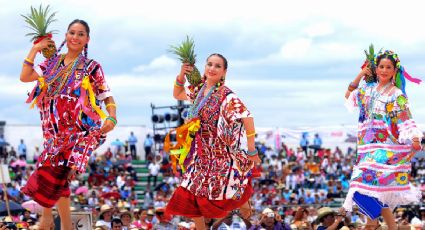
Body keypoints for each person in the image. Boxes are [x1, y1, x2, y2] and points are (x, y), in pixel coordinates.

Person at [19, 19, 117, 230]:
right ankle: (64, 226)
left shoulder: (92, 67)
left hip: (80, 131)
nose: (75, 37)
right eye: (72, 32)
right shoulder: (52, 63)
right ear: (65, 35)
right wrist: (35, 48)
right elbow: (25, 76)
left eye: (81, 34)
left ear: (87, 39)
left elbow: (106, 94)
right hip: (53, 132)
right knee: (59, 176)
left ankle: (46, 221)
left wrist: (112, 116)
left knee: (54, 171)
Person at [165, 53, 261, 229]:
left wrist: (252, 149)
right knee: (189, 194)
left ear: (224, 71)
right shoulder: (198, 90)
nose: (212, 68)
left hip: (222, 154)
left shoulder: (227, 95)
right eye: (209, 64)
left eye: (217, 66)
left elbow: (248, 118)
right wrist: (181, 74)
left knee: (230, 193)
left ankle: (246, 210)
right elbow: (177, 93)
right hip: (201, 155)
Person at [343, 50, 423, 230]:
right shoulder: (366, 89)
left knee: (360, 183)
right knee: (365, 190)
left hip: (386, 149)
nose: (384, 70)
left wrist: (415, 137)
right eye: (381, 67)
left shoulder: (397, 94)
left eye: (389, 67)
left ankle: (375, 224)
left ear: (395, 71)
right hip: (366, 149)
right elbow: (348, 97)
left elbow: (405, 118)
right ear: (376, 69)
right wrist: (362, 73)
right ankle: (380, 224)